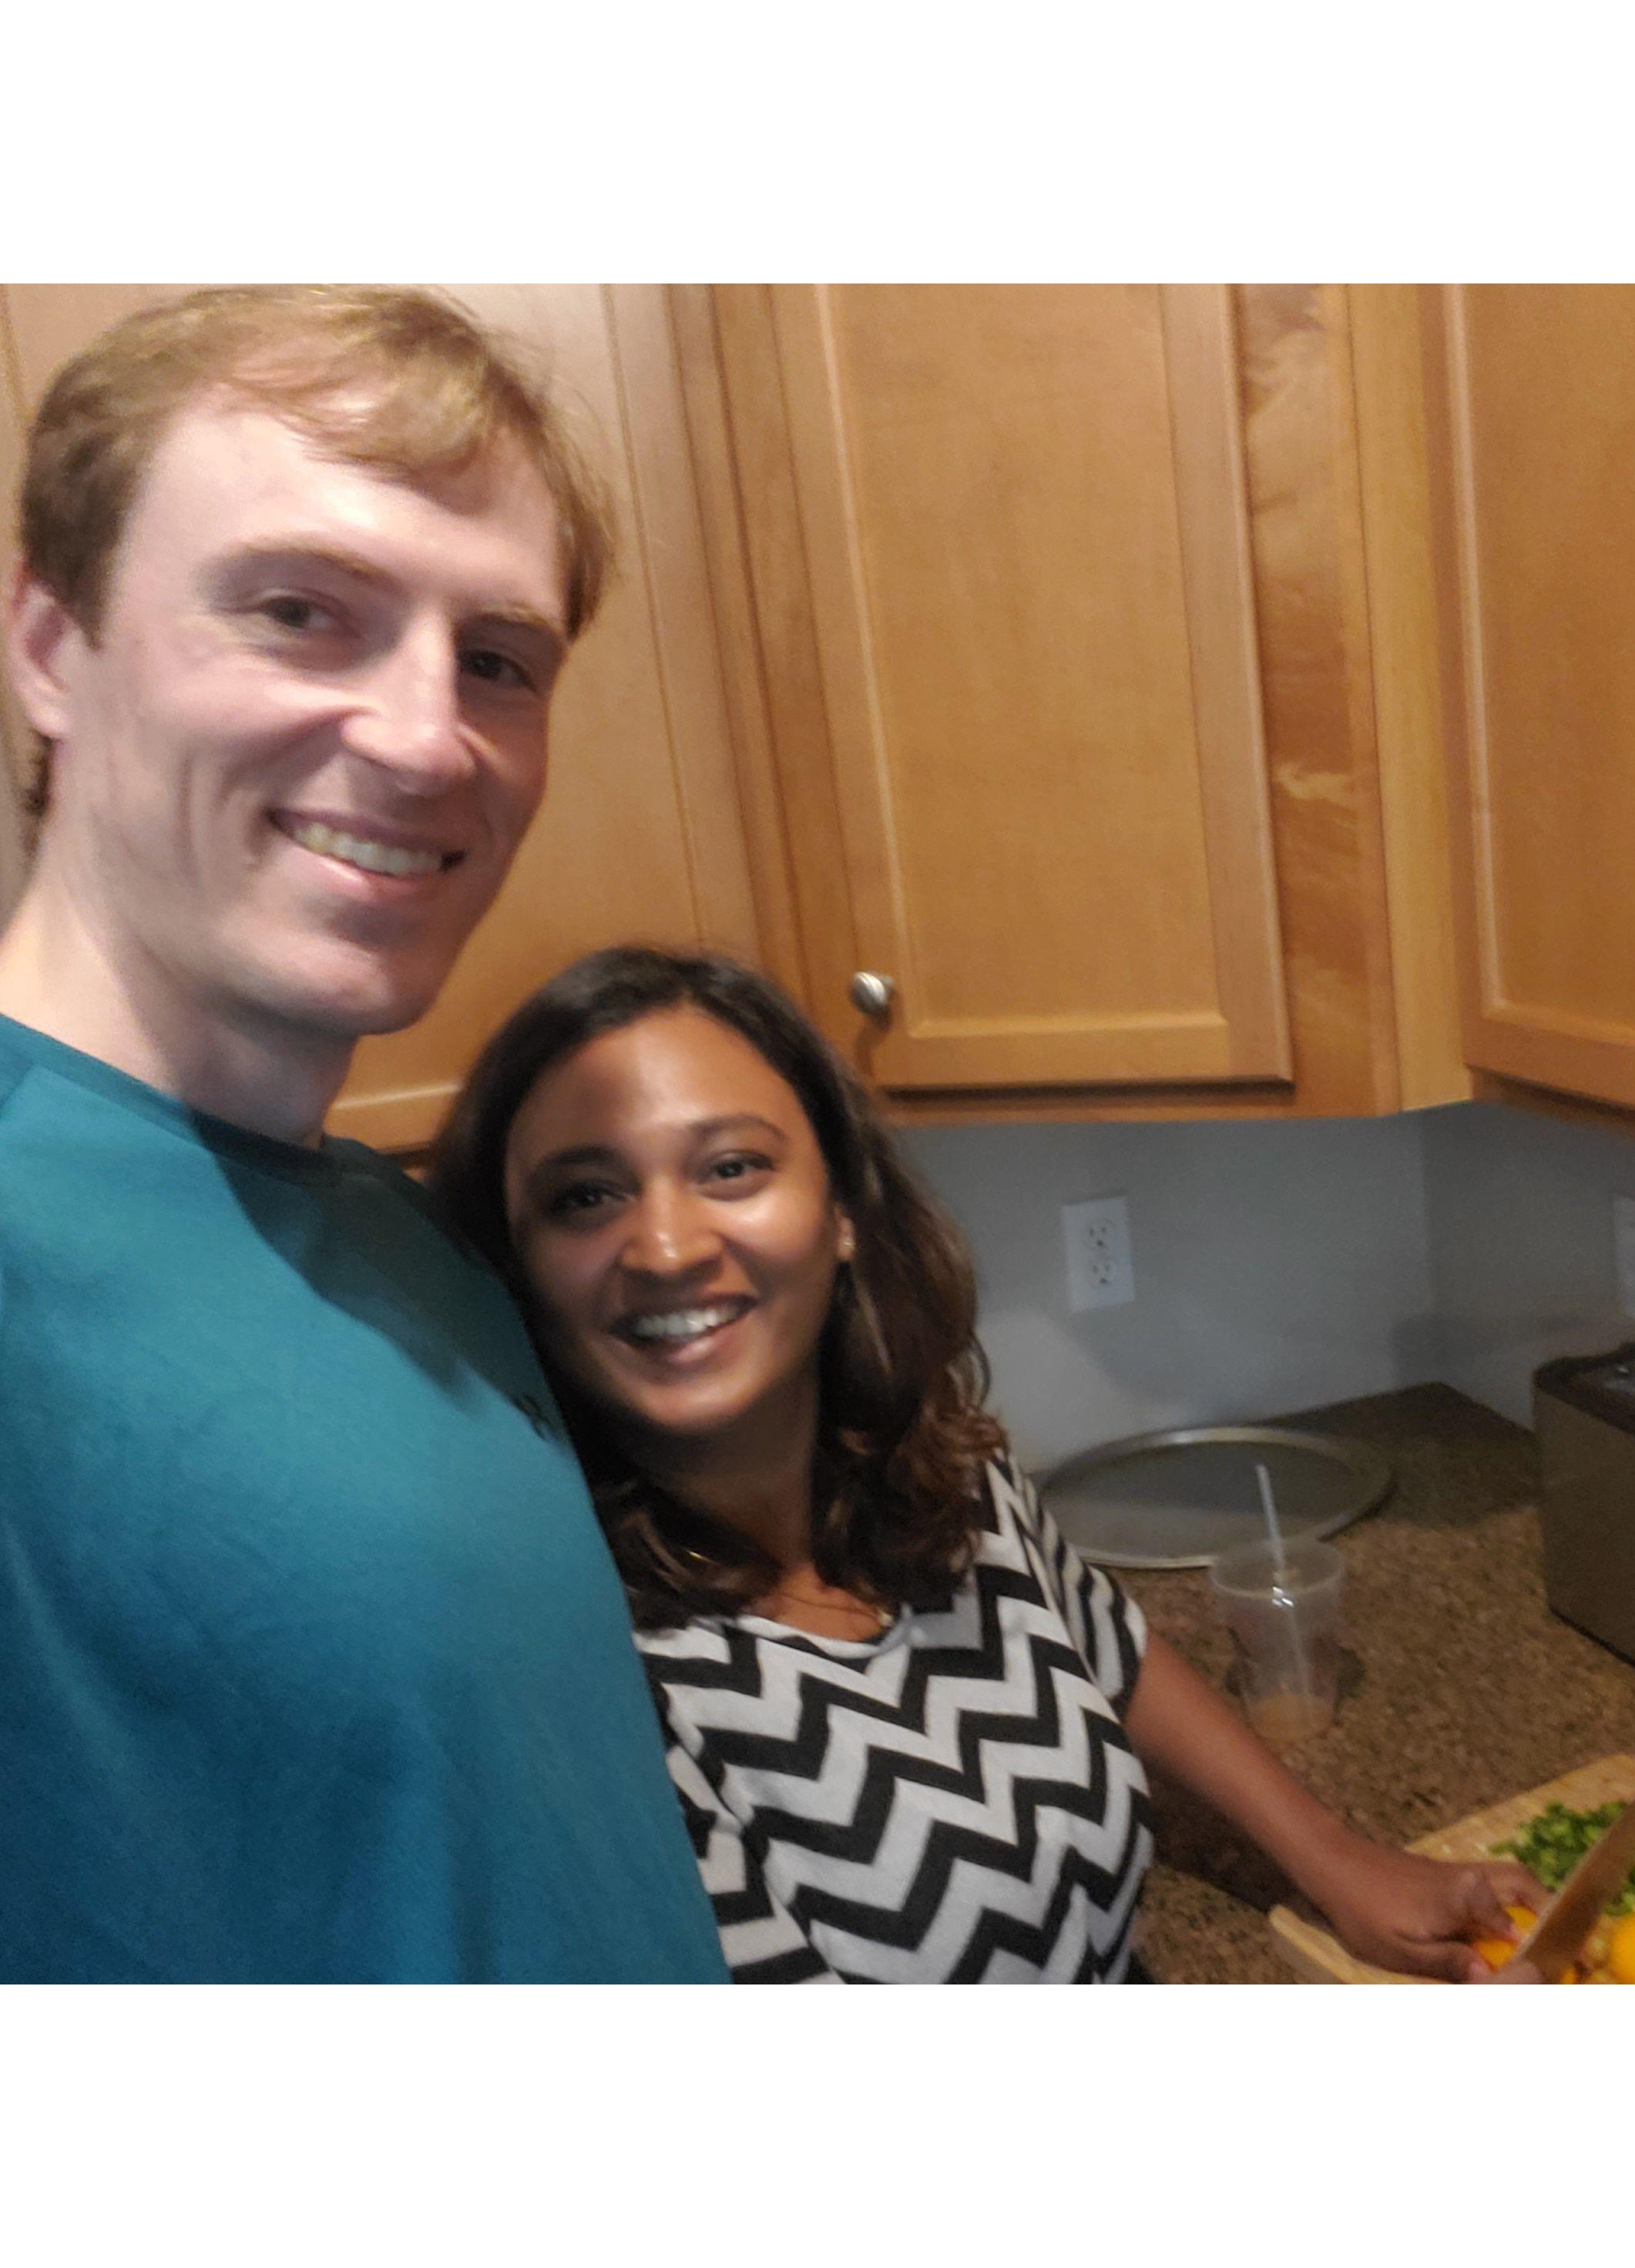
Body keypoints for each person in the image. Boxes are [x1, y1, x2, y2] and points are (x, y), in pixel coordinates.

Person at [0, 288, 726, 1981]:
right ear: (51, 646)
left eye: (495, 659)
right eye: (298, 610)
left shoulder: (400, 1239)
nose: (423, 737)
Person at [428, 946, 1546, 1982]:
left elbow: (1103, 1644)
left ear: (843, 1211)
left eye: (730, 1166)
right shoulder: (580, 1679)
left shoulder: (937, 1473)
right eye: (584, 1195)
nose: (666, 1246)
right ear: (516, 1263)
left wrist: (1331, 1852)